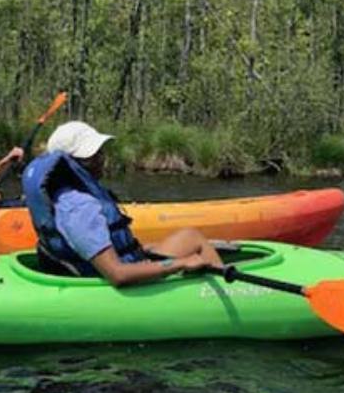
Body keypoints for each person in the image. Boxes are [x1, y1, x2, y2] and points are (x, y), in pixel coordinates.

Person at [21, 121, 225, 286]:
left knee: (190, 237)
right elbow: (117, 274)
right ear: (69, 164)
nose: (102, 159)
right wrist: (180, 263)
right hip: (111, 282)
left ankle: (218, 284)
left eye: (99, 153)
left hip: (111, 264)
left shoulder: (67, 195)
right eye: (92, 156)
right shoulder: (79, 207)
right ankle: (227, 297)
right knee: (192, 246)